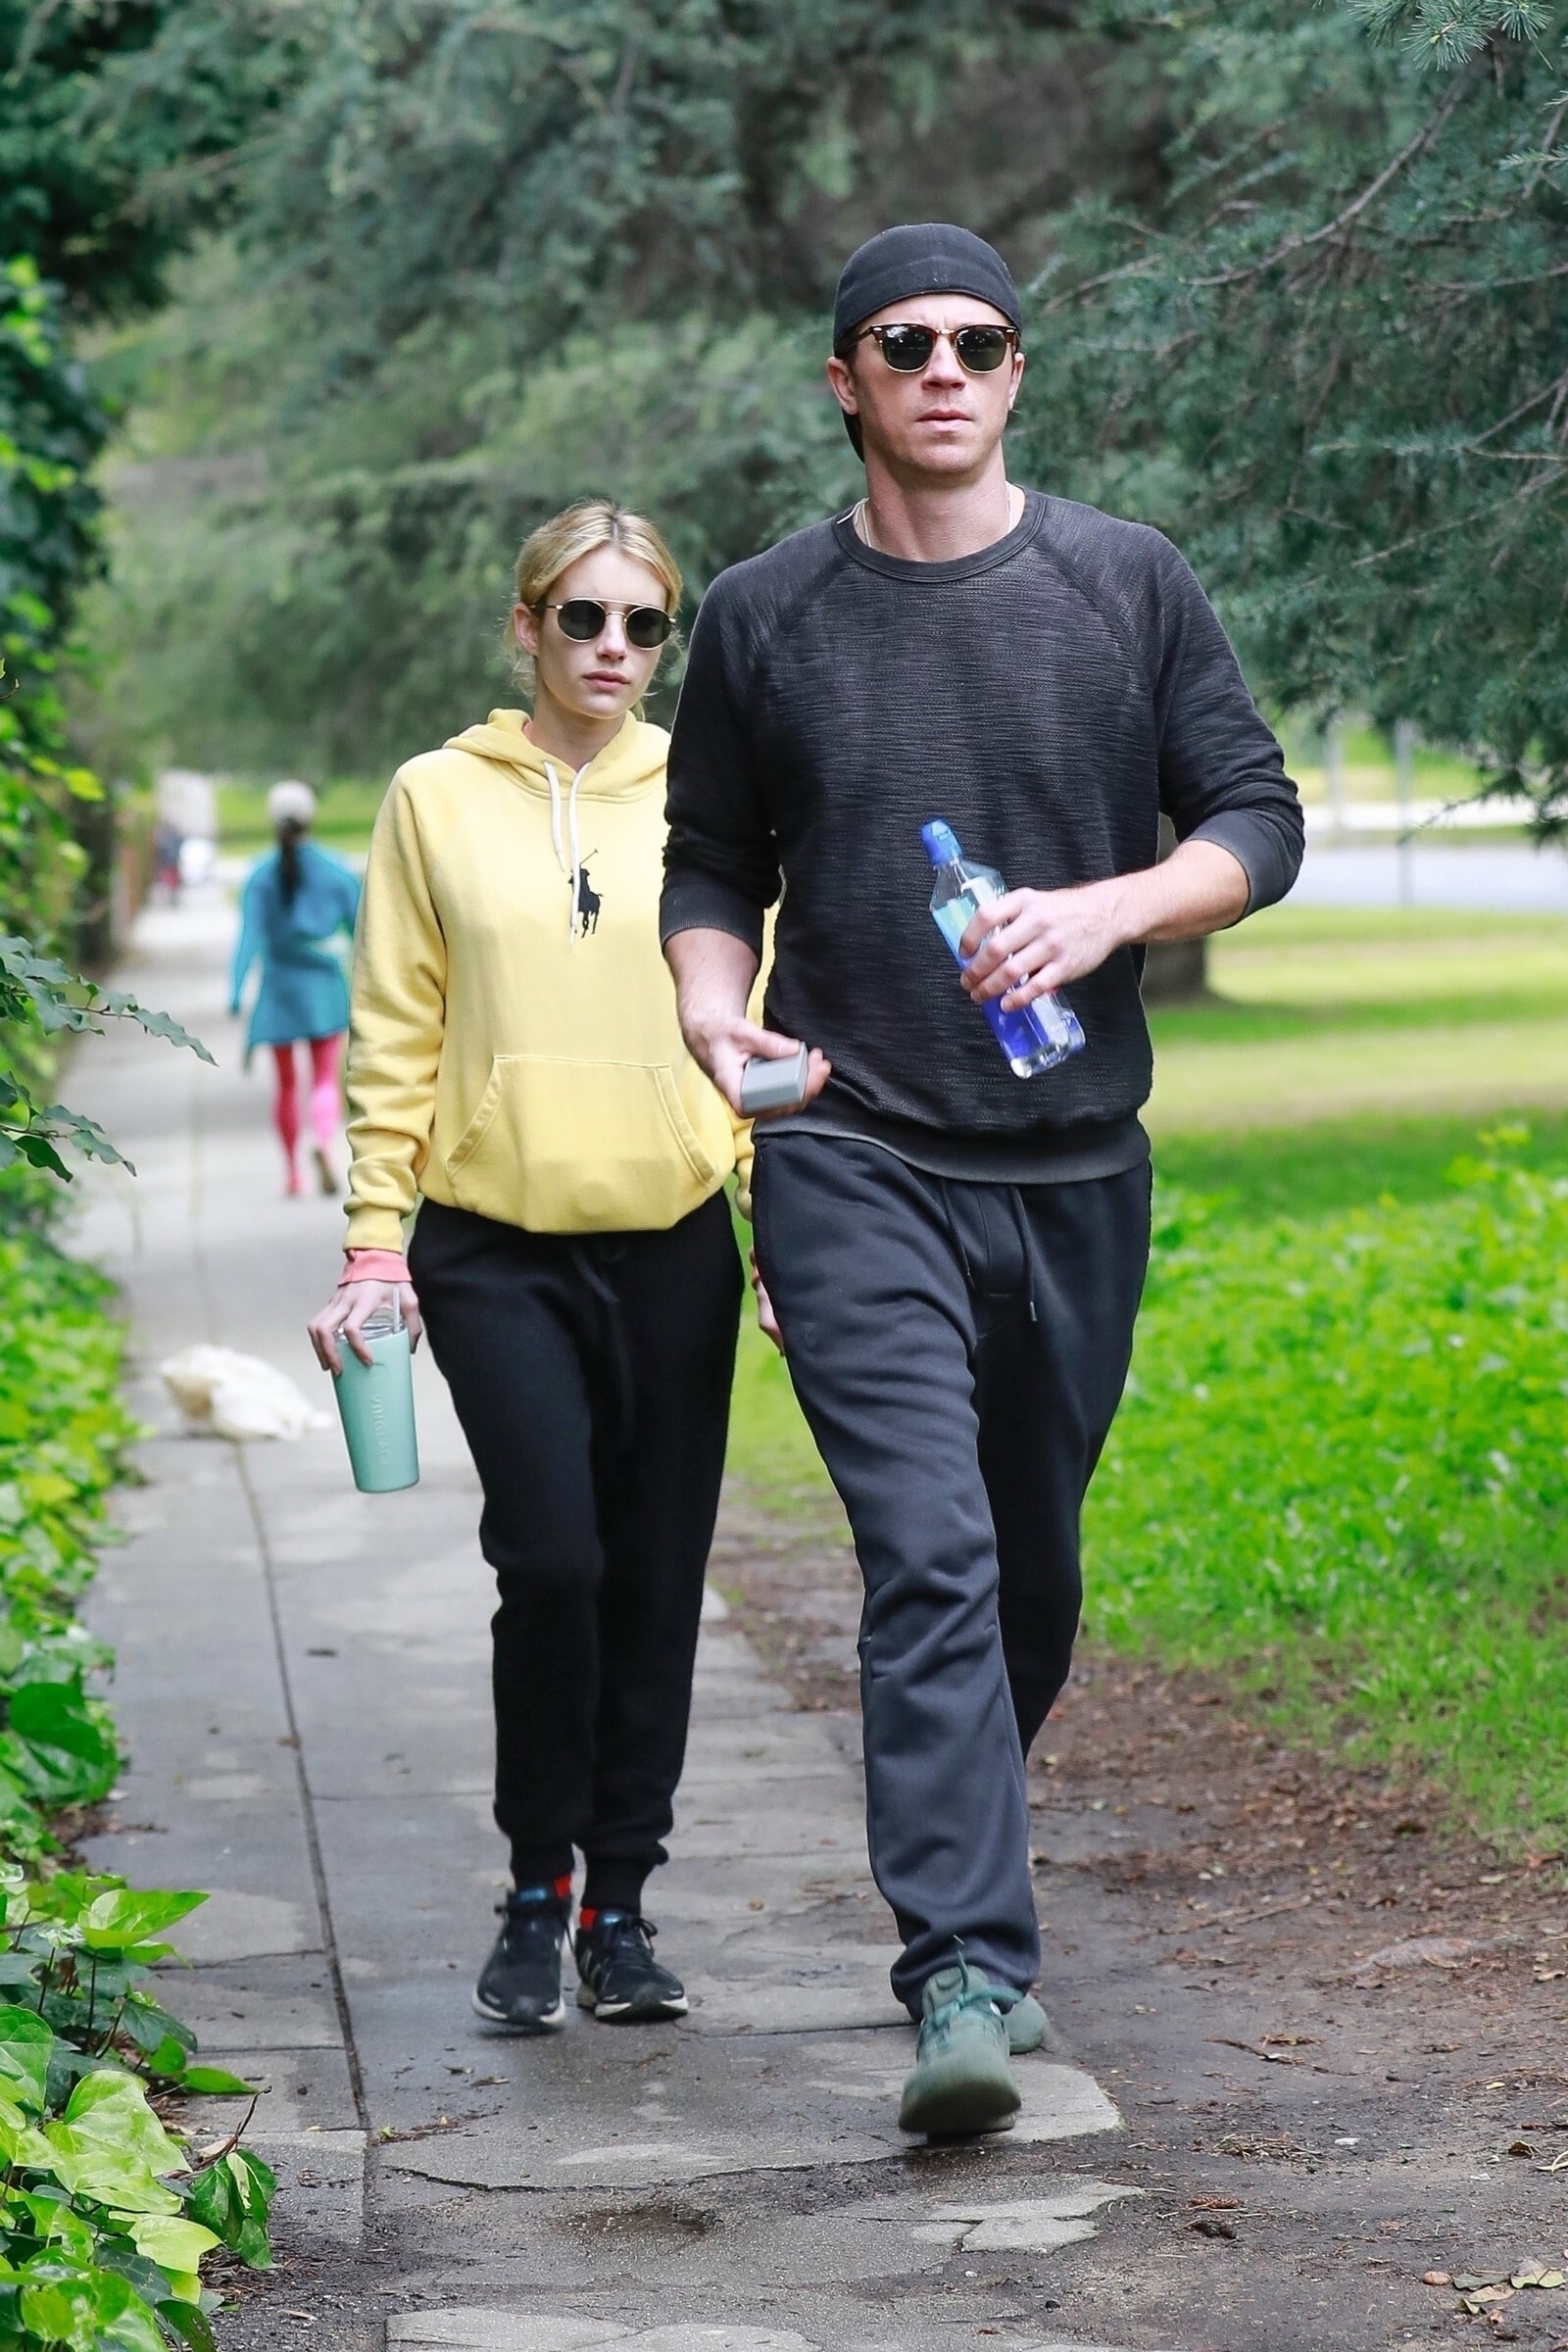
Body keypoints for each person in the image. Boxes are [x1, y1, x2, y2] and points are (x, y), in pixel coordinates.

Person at [660, 222, 1304, 2137]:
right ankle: (959, 1966)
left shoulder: (1122, 583)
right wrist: (709, 1008)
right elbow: (711, 861)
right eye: (903, 342)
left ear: (1014, 373)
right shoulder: (763, 616)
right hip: (850, 1147)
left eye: (978, 341)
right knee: (928, 1555)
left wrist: (1107, 912)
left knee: (1027, 1571)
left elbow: (1255, 818)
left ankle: (964, 1859)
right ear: (845, 382)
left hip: (1075, 1163)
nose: (942, 368)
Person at [307, 499, 750, 2035]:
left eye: (645, 623)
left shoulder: (708, 790)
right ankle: (533, 1885)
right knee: (553, 1562)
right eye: (584, 618)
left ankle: (619, 1907)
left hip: (675, 1237)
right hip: (492, 1245)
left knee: (657, 1578)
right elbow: (395, 1031)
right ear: (526, 625)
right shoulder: (434, 797)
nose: (614, 647)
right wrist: (375, 1242)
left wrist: (773, 1220)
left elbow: (759, 1012)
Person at [231, 782, 361, 1197]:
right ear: (311, 818)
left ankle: (292, 1174)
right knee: (325, 1078)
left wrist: (235, 990)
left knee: (286, 1084)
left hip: (279, 989)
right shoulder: (337, 869)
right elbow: (363, 930)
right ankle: (323, 1142)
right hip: (325, 988)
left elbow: (249, 937)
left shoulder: (260, 875)